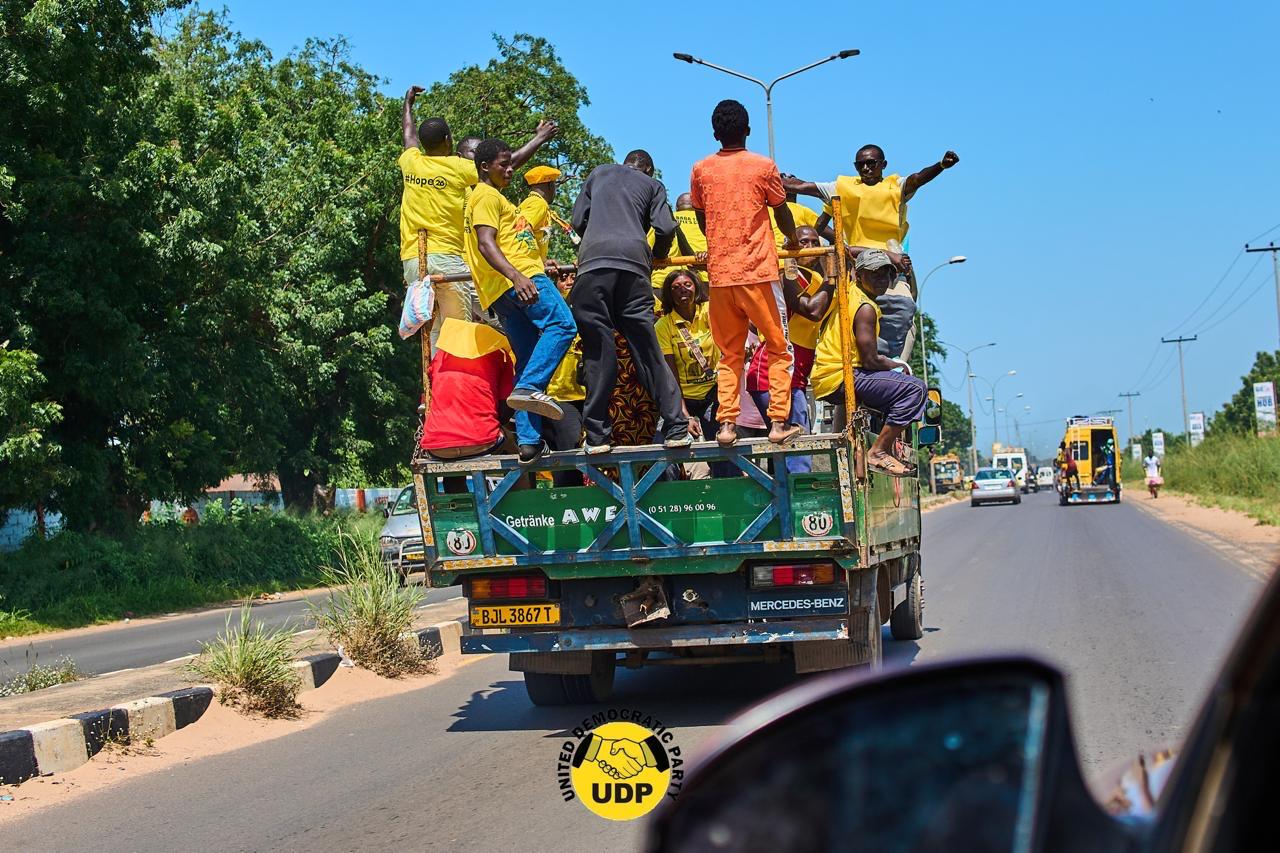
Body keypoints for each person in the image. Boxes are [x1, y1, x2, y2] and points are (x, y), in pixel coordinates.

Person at [399, 85, 557, 345]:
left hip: (413, 261)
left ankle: (438, 384)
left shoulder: (410, 162)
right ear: (450, 142)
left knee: (436, 331)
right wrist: (539, 138)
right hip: (448, 259)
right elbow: (508, 163)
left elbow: (408, 134)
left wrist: (408, 105)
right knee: (457, 331)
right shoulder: (457, 167)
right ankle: (453, 383)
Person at [690, 99, 800, 448]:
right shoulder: (763, 166)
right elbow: (781, 210)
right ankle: (779, 422)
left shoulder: (701, 169)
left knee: (729, 354)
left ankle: (725, 425)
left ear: (714, 133)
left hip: (721, 276)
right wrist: (793, 240)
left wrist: (714, 243)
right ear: (748, 130)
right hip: (758, 272)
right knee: (780, 349)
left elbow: (701, 216)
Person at [783, 144, 959, 357]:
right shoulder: (842, 187)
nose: (866, 168)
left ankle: (890, 359)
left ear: (883, 165)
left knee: (905, 308)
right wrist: (769, 180)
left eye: (871, 163)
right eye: (860, 165)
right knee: (846, 310)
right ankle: (859, 354)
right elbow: (804, 187)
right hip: (859, 262)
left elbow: (917, 178)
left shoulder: (895, 186)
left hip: (891, 265)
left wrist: (940, 166)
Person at [464, 138, 576, 465]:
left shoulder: (492, 197)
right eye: (504, 164)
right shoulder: (484, 196)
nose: (510, 169)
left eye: (511, 163)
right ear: (485, 167)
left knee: (527, 357)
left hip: (501, 289)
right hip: (519, 278)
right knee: (562, 325)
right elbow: (486, 243)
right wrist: (517, 275)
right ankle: (529, 388)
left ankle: (528, 440)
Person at [570, 150, 691, 453]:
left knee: (599, 349)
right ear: (648, 169)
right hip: (634, 268)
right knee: (647, 349)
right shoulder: (653, 186)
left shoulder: (598, 173)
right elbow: (665, 228)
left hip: (593, 266)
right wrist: (657, 255)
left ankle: (597, 437)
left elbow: (576, 220)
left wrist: (596, 239)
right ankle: (676, 427)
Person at [810, 249, 927, 476]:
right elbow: (871, 361)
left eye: (886, 274)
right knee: (915, 389)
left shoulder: (847, 291)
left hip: (829, 375)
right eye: (874, 274)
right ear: (859, 274)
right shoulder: (865, 308)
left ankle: (874, 450)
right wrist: (897, 366)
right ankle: (879, 452)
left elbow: (841, 248)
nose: (881, 279)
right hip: (841, 376)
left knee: (893, 393)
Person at [748, 225, 837, 472]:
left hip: (793, 374)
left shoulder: (811, 277)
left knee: (788, 451)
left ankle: (784, 507)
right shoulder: (789, 273)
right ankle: (800, 508)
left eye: (813, 242)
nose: (808, 248)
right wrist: (832, 276)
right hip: (774, 374)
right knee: (798, 453)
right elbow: (812, 310)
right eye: (802, 242)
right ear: (789, 247)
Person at [655, 269, 738, 478]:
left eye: (688, 284)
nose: (682, 290)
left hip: (711, 391)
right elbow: (670, 376)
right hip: (681, 395)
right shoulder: (664, 326)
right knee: (665, 447)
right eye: (675, 287)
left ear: (696, 288)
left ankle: (727, 494)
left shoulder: (709, 311)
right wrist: (685, 415)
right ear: (669, 294)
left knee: (723, 444)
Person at [419, 318, 514, 460]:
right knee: (519, 453)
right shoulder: (499, 355)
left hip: (436, 446)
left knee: (451, 464)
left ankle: (453, 482)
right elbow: (506, 408)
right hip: (482, 442)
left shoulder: (440, 357)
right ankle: (522, 481)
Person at [519, 165, 571, 265]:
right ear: (550, 185)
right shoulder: (538, 203)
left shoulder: (531, 202)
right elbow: (521, 228)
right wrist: (536, 263)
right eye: (555, 185)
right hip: (527, 268)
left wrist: (544, 262)